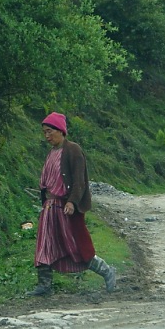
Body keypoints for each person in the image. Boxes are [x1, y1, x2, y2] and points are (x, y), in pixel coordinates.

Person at [26, 112, 116, 297]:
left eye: (50, 131)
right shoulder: (51, 153)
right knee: (44, 244)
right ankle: (44, 285)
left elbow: (79, 180)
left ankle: (106, 271)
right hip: (49, 208)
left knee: (75, 245)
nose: (47, 136)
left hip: (64, 209)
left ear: (60, 130)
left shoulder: (73, 150)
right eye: (44, 132)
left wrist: (72, 202)